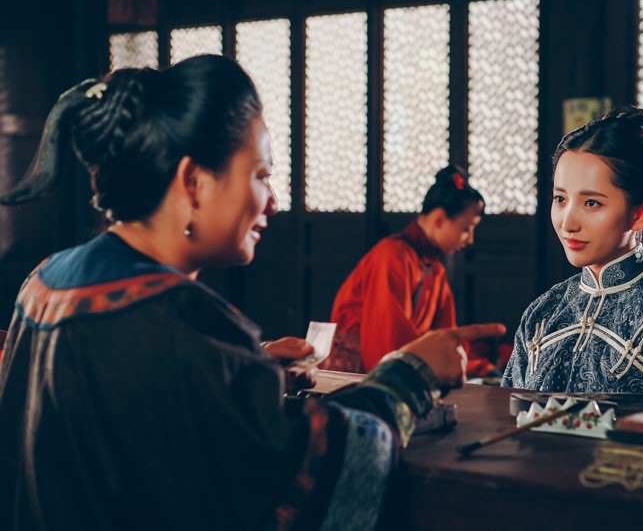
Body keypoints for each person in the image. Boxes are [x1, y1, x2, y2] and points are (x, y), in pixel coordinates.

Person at [0, 55, 505, 530]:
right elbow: (309, 473)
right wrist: (411, 375)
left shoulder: (48, 280)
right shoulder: (180, 319)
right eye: (262, 175)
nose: (274, 202)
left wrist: (248, 369)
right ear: (194, 181)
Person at [502, 105, 643, 401]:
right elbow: (510, 418)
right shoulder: (542, 313)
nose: (568, 223)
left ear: (641, 213)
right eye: (560, 198)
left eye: (592, 203)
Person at [319, 165, 499, 377]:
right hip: (358, 376)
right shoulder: (392, 255)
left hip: (404, 368)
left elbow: (445, 339)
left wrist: (483, 369)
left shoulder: (435, 270)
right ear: (439, 219)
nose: (470, 239)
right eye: (466, 228)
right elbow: (385, 344)